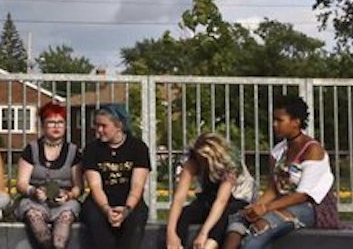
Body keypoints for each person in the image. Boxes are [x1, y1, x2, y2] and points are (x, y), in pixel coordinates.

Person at [236, 95, 341, 248]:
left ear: (296, 122)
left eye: (279, 120)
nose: (274, 124)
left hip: (311, 207)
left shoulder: (312, 150)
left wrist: (266, 208)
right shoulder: (279, 151)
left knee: (261, 228)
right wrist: (257, 205)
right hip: (281, 203)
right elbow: (273, 187)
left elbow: (303, 195)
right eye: (274, 119)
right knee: (240, 219)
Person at [78, 105, 152, 249]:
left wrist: (126, 209)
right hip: (100, 203)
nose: (99, 130)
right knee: (98, 229)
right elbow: (95, 186)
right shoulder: (92, 149)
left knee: (134, 226)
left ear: (119, 125)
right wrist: (106, 210)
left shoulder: (138, 148)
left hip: (130, 202)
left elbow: (137, 185)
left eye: (104, 126)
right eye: (97, 125)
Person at [165, 132, 253, 249]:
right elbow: (179, 197)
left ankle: (209, 246)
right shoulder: (193, 161)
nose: (202, 164)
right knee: (185, 213)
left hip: (238, 198)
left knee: (224, 216)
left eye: (205, 160)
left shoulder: (230, 162)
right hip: (210, 195)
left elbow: (221, 201)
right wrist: (170, 232)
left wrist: (203, 233)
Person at [14, 102, 81, 249]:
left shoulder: (73, 151)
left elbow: (78, 187)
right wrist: (33, 191)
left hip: (64, 202)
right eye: (51, 122)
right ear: (43, 125)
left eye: (60, 122)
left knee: (62, 228)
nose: (56, 126)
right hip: (35, 200)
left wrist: (68, 195)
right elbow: (21, 183)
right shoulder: (31, 149)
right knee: (34, 217)